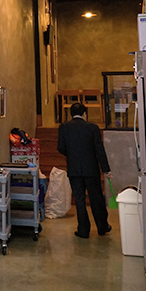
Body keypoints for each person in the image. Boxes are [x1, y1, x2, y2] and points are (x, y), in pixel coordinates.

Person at [57, 102, 113, 238]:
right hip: (91, 169)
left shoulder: (64, 127)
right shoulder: (93, 128)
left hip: (74, 168)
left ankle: (83, 230)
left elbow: (60, 147)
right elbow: (99, 150)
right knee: (96, 198)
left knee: (80, 199)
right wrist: (106, 169)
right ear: (84, 114)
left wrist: (72, 155)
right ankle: (102, 226)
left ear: (71, 114)